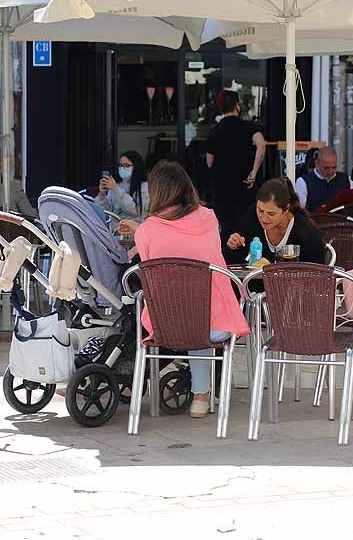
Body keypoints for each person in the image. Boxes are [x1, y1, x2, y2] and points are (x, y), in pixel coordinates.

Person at [121, 162, 249, 419]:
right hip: (213, 328)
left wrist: (140, 230)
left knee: (187, 313)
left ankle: (185, 384)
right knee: (201, 314)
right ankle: (201, 397)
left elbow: (149, 264)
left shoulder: (145, 231)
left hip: (164, 325)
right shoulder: (209, 219)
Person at [226, 177, 327, 265]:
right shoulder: (252, 215)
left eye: (271, 214)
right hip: (255, 285)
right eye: (260, 211)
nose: (264, 218)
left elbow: (317, 273)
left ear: (286, 209)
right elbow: (235, 260)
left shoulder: (306, 231)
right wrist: (234, 245)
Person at [205, 90, 267, 229]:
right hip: (244, 184)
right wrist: (254, 171)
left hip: (222, 188)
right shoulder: (248, 127)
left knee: (226, 226)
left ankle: (227, 250)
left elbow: (209, 163)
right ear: (237, 106)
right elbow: (261, 144)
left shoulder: (214, 131)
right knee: (246, 225)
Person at [96, 150, 149, 221]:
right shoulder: (117, 185)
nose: (122, 168)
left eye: (126, 165)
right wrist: (102, 195)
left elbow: (136, 210)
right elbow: (107, 212)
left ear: (137, 166)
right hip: (114, 229)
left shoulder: (144, 187)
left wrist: (116, 189)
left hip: (132, 229)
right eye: (121, 165)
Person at [294, 147, 352, 212]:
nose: (330, 172)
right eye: (326, 168)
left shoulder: (346, 180)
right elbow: (300, 210)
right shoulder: (302, 182)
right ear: (316, 163)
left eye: (334, 167)